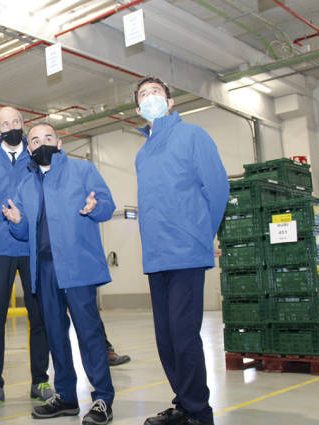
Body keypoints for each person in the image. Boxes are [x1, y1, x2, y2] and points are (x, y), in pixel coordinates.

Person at [2, 122, 115, 425]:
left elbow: (106, 204)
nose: (42, 144)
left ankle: (103, 398)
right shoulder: (25, 184)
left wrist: (96, 206)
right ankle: (65, 397)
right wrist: (15, 221)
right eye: (35, 140)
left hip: (77, 266)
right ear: (29, 149)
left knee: (89, 334)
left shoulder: (82, 171)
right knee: (55, 335)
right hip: (44, 269)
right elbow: (25, 231)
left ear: (60, 142)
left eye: (48, 138)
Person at [133, 77, 228, 425]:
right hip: (156, 257)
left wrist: (204, 235)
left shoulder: (193, 136)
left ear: (170, 102)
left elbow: (218, 187)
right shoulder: (142, 154)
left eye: (156, 92)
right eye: (144, 95)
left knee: (184, 335)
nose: (151, 97)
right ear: (138, 109)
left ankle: (199, 413)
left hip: (186, 252)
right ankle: (184, 403)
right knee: (166, 336)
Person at [0, 106, 52, 407]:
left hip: (31, 246)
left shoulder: (36, 156)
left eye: (16, 121)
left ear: (23, 124)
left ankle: (40, 379)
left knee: (38, 315)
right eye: (5, 123)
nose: (12, 126)